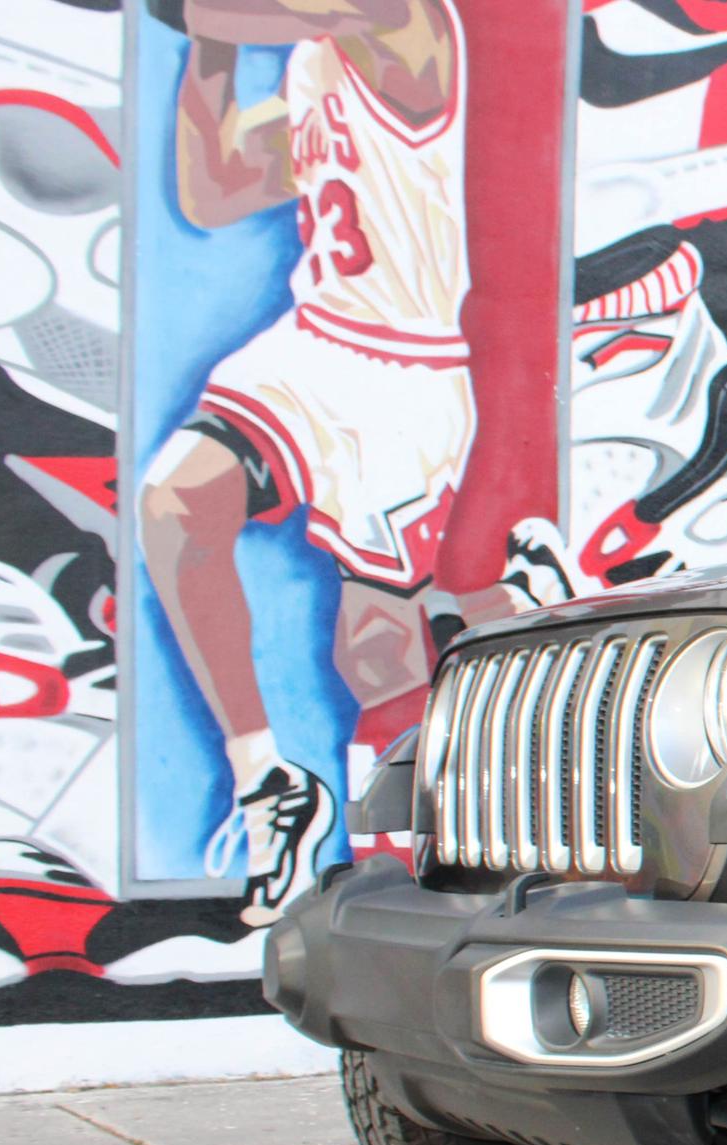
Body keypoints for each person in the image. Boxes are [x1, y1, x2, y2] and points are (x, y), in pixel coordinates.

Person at [139, 0, 484, 926]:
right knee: (176, 504)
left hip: (407, 367)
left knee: (376, 654)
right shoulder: (311, 64)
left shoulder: (397, 18)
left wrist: (182, 11)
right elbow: (213, 188)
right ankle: (269, 783)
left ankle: (428, 854)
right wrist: (204, 48)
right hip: (316, 341)